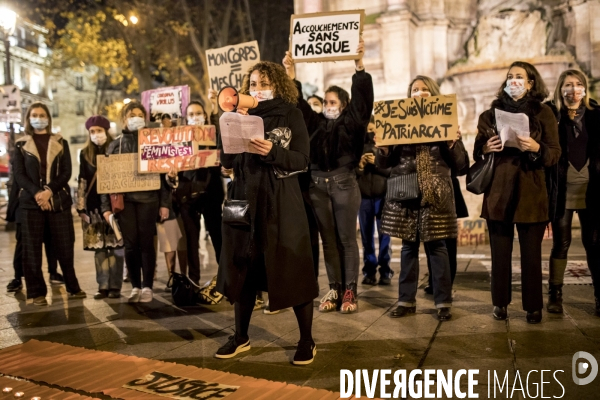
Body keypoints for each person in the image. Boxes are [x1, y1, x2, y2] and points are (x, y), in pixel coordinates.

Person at [215, 61, 318, 365]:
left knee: (293, 270)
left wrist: (271, 152)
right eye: (254, 84)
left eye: (264, 83)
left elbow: (301, 160)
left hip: (281, 204)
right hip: (245, 201)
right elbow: (228, 160)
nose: (258, 89)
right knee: (242, 270)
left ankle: (307, 340)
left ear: (278, 86)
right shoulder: (239, 115)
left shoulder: (291, 114)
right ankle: (241, 336)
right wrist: (232, 125)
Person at [282, 38, 373, 314]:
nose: (328, 105)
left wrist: (359, 68)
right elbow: (298, 106)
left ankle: (350, 290)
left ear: (343, 105)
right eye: (326, 101)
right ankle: (333, 288)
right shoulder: (317, 124)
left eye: (333, 102)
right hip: (318, 187)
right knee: (328, 240)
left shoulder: (352, 123)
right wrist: (291, 77)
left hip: (344, 184)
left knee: (346, 239)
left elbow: (362, 103)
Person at [474, 61, 561, 323]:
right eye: (510, 77)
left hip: (531, 193)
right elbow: (478, 148)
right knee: (500, 255)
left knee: (531, 256)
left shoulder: (543, 112)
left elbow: (554, 154)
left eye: (519, 77)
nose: (514, 81)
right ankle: (500, 303)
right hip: (499, 193)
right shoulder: (491, 114)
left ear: (530, 83)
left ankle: (533, 306)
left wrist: (536, 147)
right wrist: (486, 146)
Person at [377, 76, 467, 321]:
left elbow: (462, 166)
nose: (419, 93)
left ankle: (443, 302)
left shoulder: (446, 122)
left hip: (436, 194)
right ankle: (406, 300)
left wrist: (452, 144)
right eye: (415, 90)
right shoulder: (398, 121)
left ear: (434, 95)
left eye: (424, 90)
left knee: (438, 247)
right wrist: (383, 149)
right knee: (408, 247)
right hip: (406, 193)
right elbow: (384, 163)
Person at [13, 102, 86, 306]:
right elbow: (19, 175)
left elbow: (66, 172)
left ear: (48, 117)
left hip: (57, 202)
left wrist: (48, 191)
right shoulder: (21, 144)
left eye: (42, 114)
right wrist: (37, 193)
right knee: (32, 249)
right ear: (28, 119)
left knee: (64, 246)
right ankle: (36, 293)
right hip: (30, 203)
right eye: (34, 115)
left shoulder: (60, 141)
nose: (38, 118)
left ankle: (73, 286)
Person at [101, 101, 172, 303]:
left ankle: (148, 286)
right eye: (132, 114)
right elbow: (105, 180)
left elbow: (164, 173)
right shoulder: (115, 145)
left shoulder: (154, 142)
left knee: (147, 243)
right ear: (124, 118)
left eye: (140, 114)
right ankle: (135, 286)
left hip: (149, 199)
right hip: (126, 202)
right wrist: (106, 208)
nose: (136, 118)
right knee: (131, 245)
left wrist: (164, 203)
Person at [545, 69, 600, 317]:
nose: (574, 89)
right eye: (568, 85)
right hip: (563, 189)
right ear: (560, 89)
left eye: (578, 84)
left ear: (585, 88)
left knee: (595, 245)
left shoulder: (597, 114)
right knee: (561, 244)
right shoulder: (551, 115)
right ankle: (555, 294)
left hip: (592, 189)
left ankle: (599, 296)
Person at [171, 97, 224, 289]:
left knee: (218, 237)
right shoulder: (179, 139)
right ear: (186, 118)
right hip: (187, 196)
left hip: (211, 194)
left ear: (205, 115)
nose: (195, 117)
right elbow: (173, 166)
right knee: (192, 241)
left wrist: (213, 107)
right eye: (191, 114)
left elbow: (222, 152)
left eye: (198, 114)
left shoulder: (214, 134)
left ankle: (226, 280)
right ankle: (193, 282)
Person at [77, 115, 125, 299]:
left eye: (99, 130)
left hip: (114, 206)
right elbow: (82, 179)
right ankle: (103, 285)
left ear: (106, 131)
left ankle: (115, 286)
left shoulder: (116, 148)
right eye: (92, 131)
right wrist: (81, 207)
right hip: (94, 208)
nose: (96, 134)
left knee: (116, 247)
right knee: (99, 249)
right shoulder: (85, 154)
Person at [357, 117, 393, 285]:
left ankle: (385, 270)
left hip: (383, 196)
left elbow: (392, 171)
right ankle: (369, 270)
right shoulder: (356, 148)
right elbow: (353, 173)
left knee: (385, 235)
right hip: (363, 197)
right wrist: (361, 165)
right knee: (366, 237)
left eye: (373, 129)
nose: (370, 132)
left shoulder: (386, 146)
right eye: (367, 129)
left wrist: (377, 163)